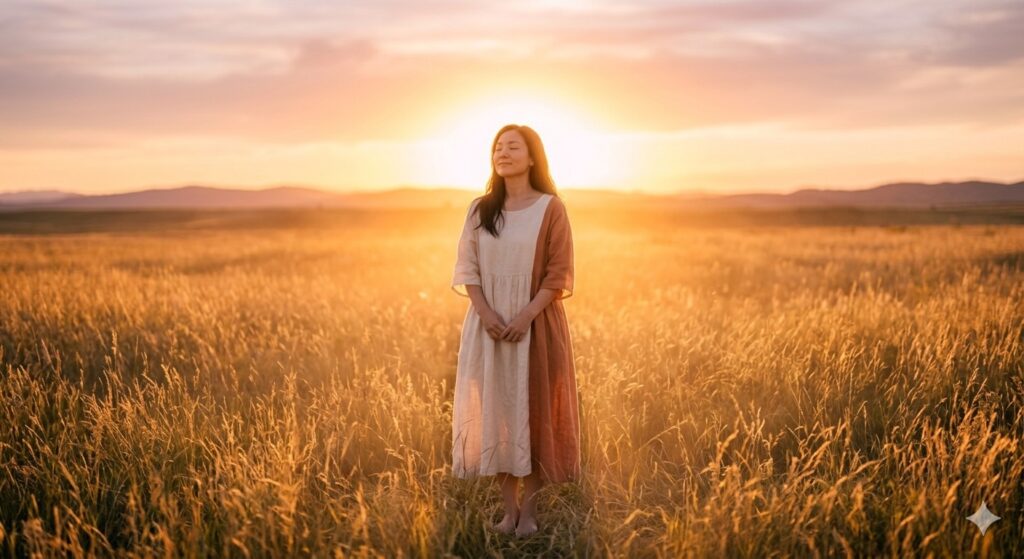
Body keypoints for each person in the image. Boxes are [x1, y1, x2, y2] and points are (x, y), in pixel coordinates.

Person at [450, 123, 581, 538]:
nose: (503, 154)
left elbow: (558, 274)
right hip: (487, 326)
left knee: (535, 415)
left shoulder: (551, 208)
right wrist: (486, 313)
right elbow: (467, 267)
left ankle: (530, 513)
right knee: (499, 417)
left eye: (513, 147)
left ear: (531, 157)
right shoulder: (480, 209)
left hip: (536, 325)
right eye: (497, 148)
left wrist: (525, 316)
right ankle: (509, 512)